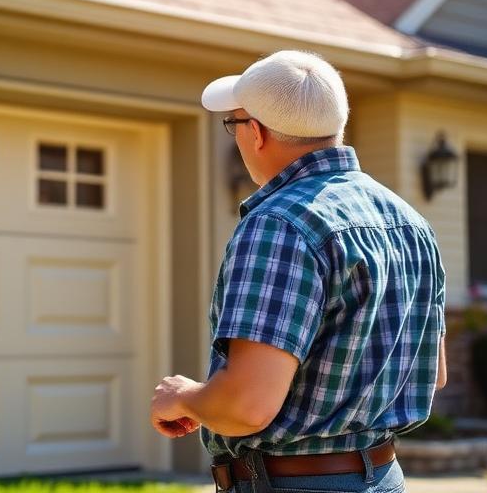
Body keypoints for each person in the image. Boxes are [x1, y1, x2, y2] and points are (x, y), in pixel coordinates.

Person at [150, 50, 447, 493]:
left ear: (256, 132)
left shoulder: (280, 223)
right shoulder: (410, 222)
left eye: (233, 124)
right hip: (384, 477)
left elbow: (247, 407)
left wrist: (185, 397)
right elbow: (434, 373)